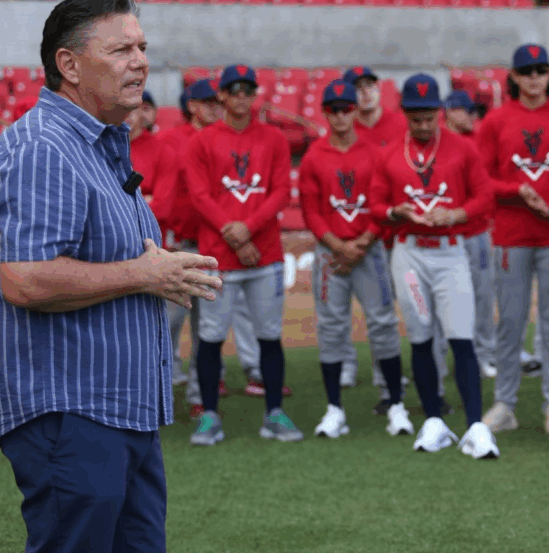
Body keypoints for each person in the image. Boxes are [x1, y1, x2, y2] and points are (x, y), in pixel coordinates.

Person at [0, 0, 223, 553]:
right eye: (120, 51)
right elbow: (25, 278)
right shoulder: (44, 147)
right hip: (71, 411)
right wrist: (144, 274)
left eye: (142, 48)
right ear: (69, 65)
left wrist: (150, 272)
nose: (140, 62)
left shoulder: (95, 145)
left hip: (117, 408)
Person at [368, 73, 499, 458]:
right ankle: (433, 421)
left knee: (461, 336)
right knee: (421, 334)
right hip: (410, 255)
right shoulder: (391, 153)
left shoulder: (462, 148)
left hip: (450, 252)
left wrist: (455, 214)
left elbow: (485, 197)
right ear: (404, 114)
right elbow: (375, 205)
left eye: (429, 117)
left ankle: (475, 425)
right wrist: (395, 212)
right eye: (416, 118)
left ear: (439, 112)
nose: (423, 125)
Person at [185, 63, 302, 446]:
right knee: (211, 338)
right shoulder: (203, 141)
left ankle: (274, 413)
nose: (240, 96)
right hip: (219, 256)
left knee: (269, 337)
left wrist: (247, 229)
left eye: (246, 90)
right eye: (233, 90)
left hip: (263, 255)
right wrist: (235, 234)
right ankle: (210, 416)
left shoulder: (274, 138)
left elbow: (281, 191)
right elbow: (199, 195)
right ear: (221, 94)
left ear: (255, 95)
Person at [475, 44, 549, 435]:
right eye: (527, 71)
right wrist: (517, 191)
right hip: (512, 235)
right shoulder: (496, 120)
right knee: (510, 321)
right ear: (515, 77)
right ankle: (505, 403)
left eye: (541, 70)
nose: (534, 77)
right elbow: (481, 179)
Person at [299, 79, 414, 438]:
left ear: (355, 111)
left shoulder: (374, 152)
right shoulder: (315, 155)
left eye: (346, 109)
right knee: (331, 327)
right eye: (333, 110)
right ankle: (334, 408)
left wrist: (361, 243)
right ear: (325, 113)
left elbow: (384, 204)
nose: (340, 116)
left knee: (383, 324)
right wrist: (339, 246)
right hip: (331, 252)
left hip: (369, 248)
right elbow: (311, 210)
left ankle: (395, 402)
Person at [152, 79, 232, 417]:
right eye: (207, 102)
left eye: (217, 102)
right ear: (192, 106)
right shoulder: (170, 140)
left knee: (207, 325)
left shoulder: (226, 139)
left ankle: (201, 392)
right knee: (166, 322)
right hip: (178, 245)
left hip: (213, 244)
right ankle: (159, 388)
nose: (215, 107)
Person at [444, 89, 497, 378]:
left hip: (476, 231)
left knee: (482, 296)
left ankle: (484, 355)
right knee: (445, 300)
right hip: (446, 235)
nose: (473, 117)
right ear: (451, 111)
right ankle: (442, 359)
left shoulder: (477, 140)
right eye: (468, 111)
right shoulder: (437, 143)